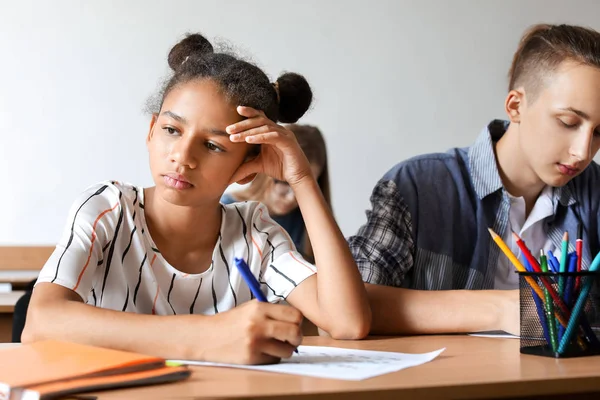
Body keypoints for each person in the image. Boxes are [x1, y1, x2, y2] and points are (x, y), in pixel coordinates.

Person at [23, 33, 371, 364]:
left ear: (247, 168)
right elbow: (40, 324)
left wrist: (302, 178)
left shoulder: (255, 235)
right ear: (151, 131)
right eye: (172, 130)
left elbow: (347, 322)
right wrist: (209, 337)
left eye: (213, 145)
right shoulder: (108, 210)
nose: (183, 156)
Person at [348, 23, 600, 336]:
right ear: (516, 106)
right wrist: (503, 309)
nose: (583, 151)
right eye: (568, 122)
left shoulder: (594, 192)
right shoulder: (417, 186)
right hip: (449, 383)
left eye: (599, 132)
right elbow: (348, 306)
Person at [222, 124, 329, 262]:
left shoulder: (310, 223)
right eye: (285, 182)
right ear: (267, 170)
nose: (292, 198)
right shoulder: (227, 209)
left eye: (304, 187)